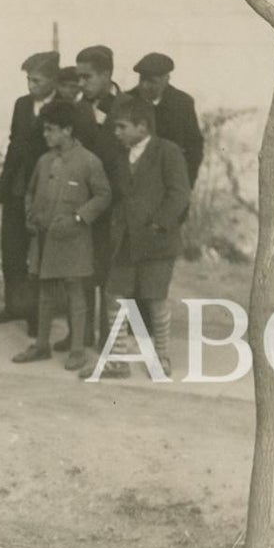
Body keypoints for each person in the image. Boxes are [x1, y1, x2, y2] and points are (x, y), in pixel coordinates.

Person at [86, 95, 190, 379]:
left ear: (142, 127)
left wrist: (159, 224)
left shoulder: (167, 152)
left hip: (157, 243)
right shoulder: (120, 157)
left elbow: (179, 193)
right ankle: (118, 360)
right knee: (115, 296)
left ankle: (162, 357)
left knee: (155, 299)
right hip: (124, 241)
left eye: (121, 127)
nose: (116, 133)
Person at [11, 101, 111, 372]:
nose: (46, 135)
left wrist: (79, 217)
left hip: (73, 239)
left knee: (74, 292)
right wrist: (30, 214)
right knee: (45, 292)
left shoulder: (89, 161)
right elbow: (30, 191)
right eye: (45, 129)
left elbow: (103, 196)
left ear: (67, 130)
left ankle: (78, 350)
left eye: (51, 130)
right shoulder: (44, 161)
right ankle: (41, 345)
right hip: (44, 237)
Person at [0, 51, 60, 330]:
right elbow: (14, 141)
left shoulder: (63, 107)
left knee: (39, 256)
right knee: (12, 251)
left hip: (45, 191)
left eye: (37, 80)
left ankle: (36, 315)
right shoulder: (22, 104)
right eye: (29, 80)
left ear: (53, 80)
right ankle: (14, 306)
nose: (31, 86)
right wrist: (6, 181)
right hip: (17, 188)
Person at [70, 44, 127, 350]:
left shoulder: (129, 106)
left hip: (116, 207)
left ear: (106, 74)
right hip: (82, 205)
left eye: (87, 76)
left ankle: (109, 338)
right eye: (78, 77)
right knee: (81, 271)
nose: (81, 83)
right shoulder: (77, 108)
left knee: (110, 276)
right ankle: (80, 335)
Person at [129, 52, 205, 187]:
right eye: (142, 79)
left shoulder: (182, 103)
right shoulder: (127, 100)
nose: (144, 86)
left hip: (170, 186)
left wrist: (185, 184)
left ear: (166, 79)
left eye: (152, 81)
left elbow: (194, 147)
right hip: (134, 186)